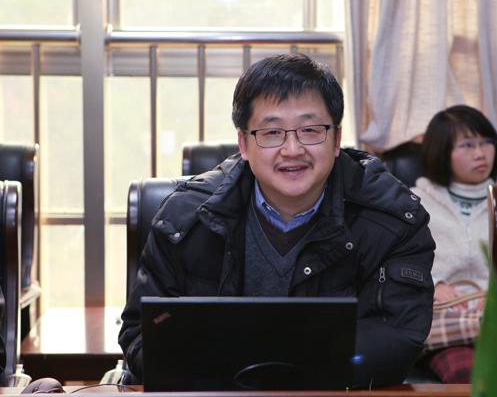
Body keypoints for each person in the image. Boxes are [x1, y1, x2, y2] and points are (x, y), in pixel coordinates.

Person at [118, 53, 435, 388]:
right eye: (272, 132)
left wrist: (279, 370)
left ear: (337, 139)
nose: (292, 149)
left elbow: (399, 336)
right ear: (244, 144)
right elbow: (141, 336)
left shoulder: (394, 219)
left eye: (310, 130)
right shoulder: (184, 218)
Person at [410, 105, 497, 383]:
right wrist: (434, 286)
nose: (481, 153)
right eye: (468, 145)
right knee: (467, 374)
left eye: (486, 142)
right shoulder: (414, 202)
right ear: (441, 152)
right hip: (446, 323)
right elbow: (400, 262)